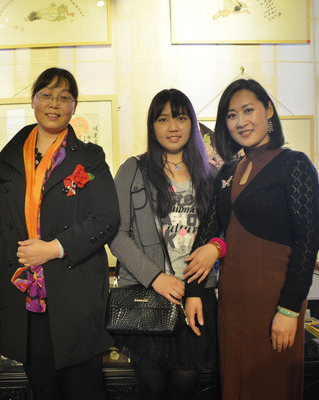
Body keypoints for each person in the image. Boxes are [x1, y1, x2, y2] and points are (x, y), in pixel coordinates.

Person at [0, 67, 119, 399]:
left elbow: (106, 218)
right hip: (22, 288)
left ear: (74, 106)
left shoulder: (89, 158)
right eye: (46, 95)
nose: (54, 103)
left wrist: (55, 248)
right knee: (42, 385)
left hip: (75, 288)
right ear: (33, 101)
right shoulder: (10, 156)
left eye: (64, 97)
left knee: (83, 386)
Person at [185, 79, 319, 399]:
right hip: (231, 302)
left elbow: (308, 241)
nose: (241, 121)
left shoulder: (294, 164)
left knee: (270, 386)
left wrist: (289, 310)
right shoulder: (227, 171)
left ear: (268, 110)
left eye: (248, 110)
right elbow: (209, 231)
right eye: (232, 115)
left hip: (274, 301)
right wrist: (192, 291)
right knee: (235, 385)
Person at [109, 89, 220, 400]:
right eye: (163, 119)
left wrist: (214, 250)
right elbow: (116, 234)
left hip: (197, 296)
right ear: (152, 125)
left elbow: (222, 231)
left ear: (192, 123)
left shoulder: (210, 175)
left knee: (185, 390)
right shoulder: (133, 170)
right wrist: (155, 277)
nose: (173, 127)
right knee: (152, 391)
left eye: (181, 118)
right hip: (148, 295)